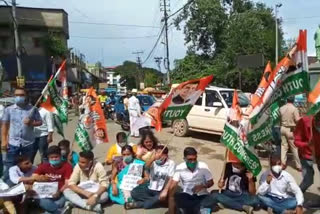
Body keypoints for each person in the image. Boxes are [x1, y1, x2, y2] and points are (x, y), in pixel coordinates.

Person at [1, 88, 42, 179]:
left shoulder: (33, 109)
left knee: (27, 165)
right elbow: (5, 125)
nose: (19, 97)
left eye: (21, 95)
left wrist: (31, 123)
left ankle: (26, 183)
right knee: (9, 164)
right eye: (16, 95)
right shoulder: (9, 109)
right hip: (13, 143)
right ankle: (9, 184)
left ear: (26, 96)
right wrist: (4, 141)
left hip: (28, 143)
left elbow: (40, 122)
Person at [127, 145, 175, 209]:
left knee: (148, 205)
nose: (158, 155)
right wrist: (153, 159)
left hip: (161, 189)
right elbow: (145, 167)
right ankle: (158, 201)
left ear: (165, 155)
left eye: (160, 153)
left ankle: (139, 204)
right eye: (156, 153)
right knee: (134, 193)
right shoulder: (153, 161)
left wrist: (165, 190)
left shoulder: (171, 163)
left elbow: (171, 178)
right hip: (150, 187)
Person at [170, 147, 214, 214]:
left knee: (210, 199)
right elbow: (174, 183)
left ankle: (193, 209)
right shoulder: (180, 168)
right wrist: (170, 194)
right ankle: (197, 208)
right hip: (187, 195)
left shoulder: (203, 166)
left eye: (194, 159)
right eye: (190, 159)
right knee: (178, 197)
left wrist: (203, 186)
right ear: (184, 159)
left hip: (202, 195)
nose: (193, 162)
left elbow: (211, 182)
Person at [32, 145, 73, 214]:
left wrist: (59, 192)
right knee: (39, 200)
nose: (54, 159)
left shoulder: (67, 166)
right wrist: (42, 178)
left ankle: (52, 210)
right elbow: (34, 176)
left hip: (61, 193)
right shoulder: (44, 166)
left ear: (60, 156)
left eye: (56, 157)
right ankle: (59, 212)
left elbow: (67, 183)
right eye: (51, 157)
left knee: (58, 203)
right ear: (48, 158)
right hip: (46, 193)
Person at [294, 112, 320, 193]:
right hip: (306, 155)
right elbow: (296, 142)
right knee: (308, 180)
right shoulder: (304, 122)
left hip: (319, 155)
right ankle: (297, 197)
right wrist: (307, 144)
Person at [279, 96, 301, 170]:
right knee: (294, 147)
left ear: (287, 100)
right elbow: (297, 120)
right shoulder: (294, 109)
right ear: (293, 100)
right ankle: (298, 166)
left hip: (282, 128)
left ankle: (283, 164)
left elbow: (279, 119)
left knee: (283, 146)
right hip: (291, 129)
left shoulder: (281, 108)